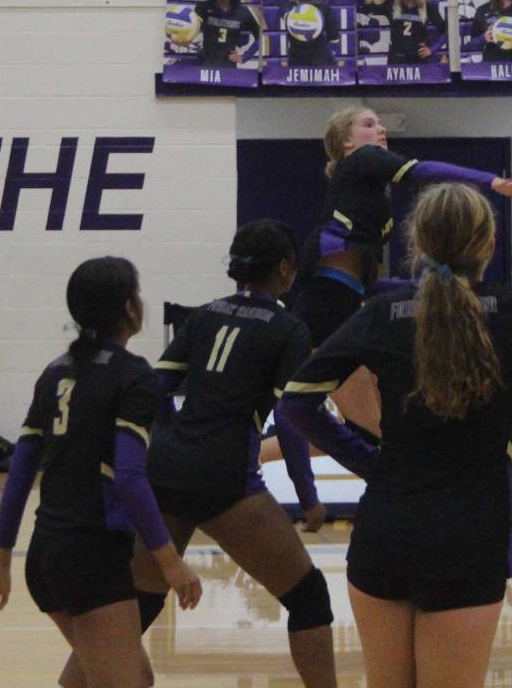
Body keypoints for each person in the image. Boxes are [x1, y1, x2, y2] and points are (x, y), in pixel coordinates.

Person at [276, 182, 512, 688]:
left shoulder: (382, 314)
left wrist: (370, 460)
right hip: (470, 533)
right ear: (489, 246)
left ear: (418, 246)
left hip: (386, 526)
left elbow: (297, 401)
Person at [0, 257, 202, 687]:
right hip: (91, 557)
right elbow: (130, 477)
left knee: (123, 676)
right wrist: (170, 562)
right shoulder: (134, 377)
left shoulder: (54, 372)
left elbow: (21, 471)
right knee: (126, 681)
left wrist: (1, 560)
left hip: (44, 557)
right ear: (129, 309)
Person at [130, 221, 338, 688]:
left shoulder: (202, 315)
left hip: (165, 467)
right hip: (226, 478)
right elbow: (291, 417)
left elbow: (154, 389)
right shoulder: (289, 328)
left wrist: (170, 440)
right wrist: (309, 499)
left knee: (130, 614)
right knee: (309, 599)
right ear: (285, 270)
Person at [287, 106, 512, 440]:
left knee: (362, 431)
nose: (381, 128)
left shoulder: (366, 196)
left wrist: (419, 285)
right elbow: (424, 170)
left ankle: (258, 458)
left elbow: (364, 283)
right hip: (324, 315)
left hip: (334, 307)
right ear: (346, 142)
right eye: (369, 123)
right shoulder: (362, 159)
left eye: (380, 123)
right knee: (379, 432)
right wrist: (490, 181)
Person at [195, 0, 261, 68]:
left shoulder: (242, 11)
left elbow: (260, 36)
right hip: (204, 65)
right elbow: (188, 30)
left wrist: (245, 56)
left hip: (228, 69)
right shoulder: (202, 7)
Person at [387, 0, 447, 65]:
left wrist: (432, 49)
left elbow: (448, 31)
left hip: (419, 63)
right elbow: (364, 7)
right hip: (396, 63)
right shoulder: (391, 6)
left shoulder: (427, 7)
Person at [279, 0, 338, 67]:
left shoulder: (325, 8)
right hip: (296, 60)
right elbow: (287, 17)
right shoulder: (287, 6)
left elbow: (333, 36)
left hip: (322, 60)